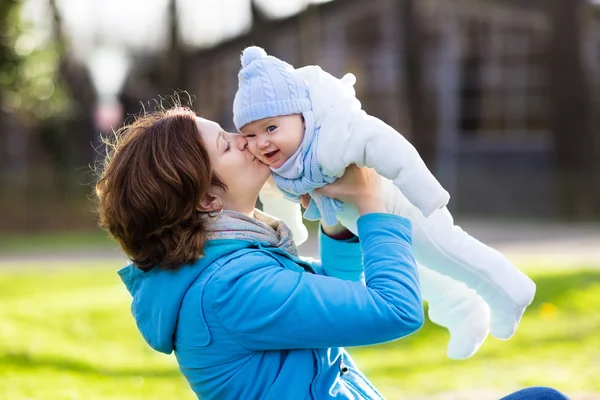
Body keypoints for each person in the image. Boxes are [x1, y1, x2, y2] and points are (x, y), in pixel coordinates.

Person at [95, 105, 567, 400]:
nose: (246, 138)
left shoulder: (230, 264)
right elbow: (395, 310)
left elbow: (340, 299)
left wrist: (340, 227)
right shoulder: (228, 290)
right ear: (206, 200)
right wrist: (371, 206)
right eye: (227, 144)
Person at [232, 46, 536, 359]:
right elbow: (273, 192)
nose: (262, 141)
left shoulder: (333, 138)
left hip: (406, 205)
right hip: (363, 221)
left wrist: (427, 194)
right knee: (422, 271)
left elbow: (386, 144)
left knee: (447, 250)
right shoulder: (284, 163)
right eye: (250, 135)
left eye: (271, 128)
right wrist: (292, 231)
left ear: (303, 117)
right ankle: (460, 309)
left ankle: (509, 291)